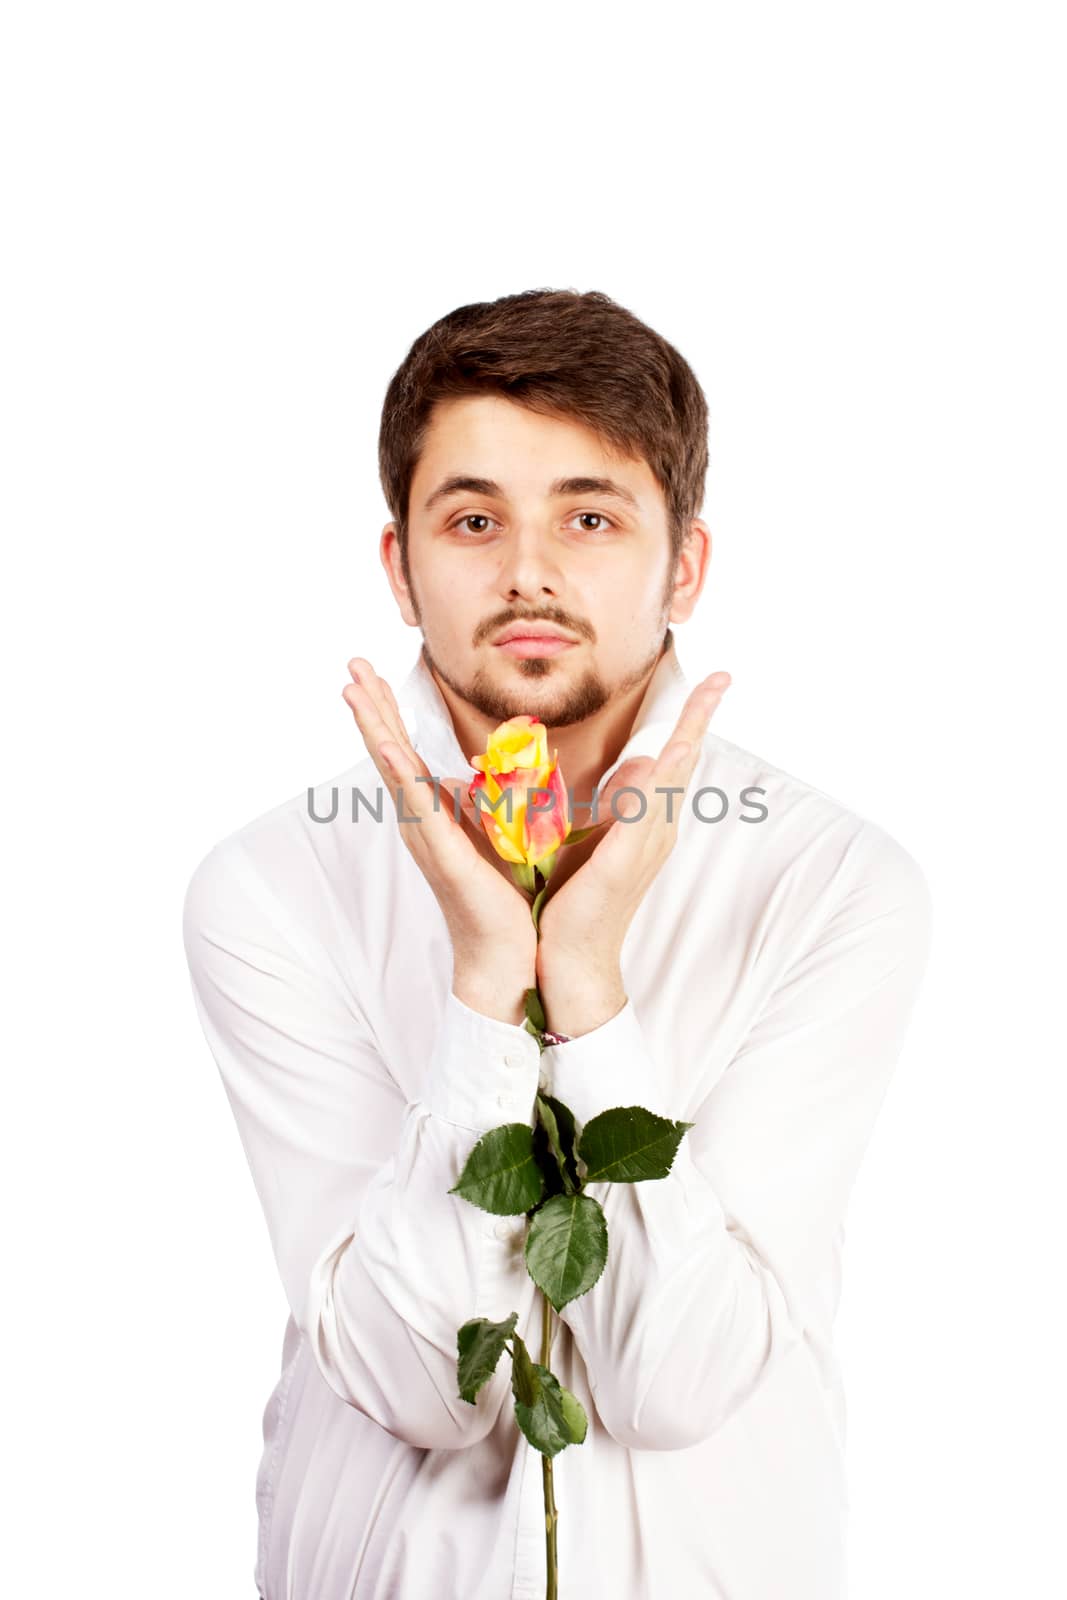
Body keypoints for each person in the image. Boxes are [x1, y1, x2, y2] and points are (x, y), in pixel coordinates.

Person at [182, 287, 932, 1600]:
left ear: (683, 564)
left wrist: (583, 988)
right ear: (399, 564)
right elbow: (420, 1383)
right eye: (474, 521)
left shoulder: (829, 879)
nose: (528, 571)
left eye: (590, 518)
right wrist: (486, 982)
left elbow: (674, 1379)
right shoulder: (271, 887)